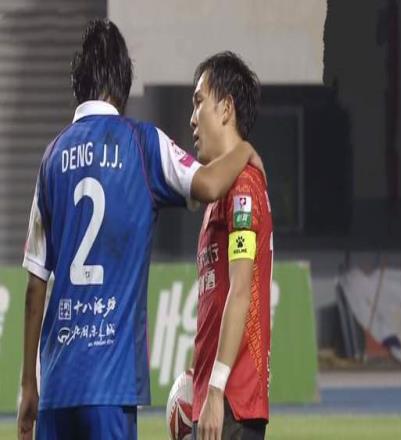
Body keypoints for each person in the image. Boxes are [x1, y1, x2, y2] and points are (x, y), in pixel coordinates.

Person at [17, 20, 264, 440]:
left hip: (56, 385)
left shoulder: (52, 158)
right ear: (123, 82)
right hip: (111, 384)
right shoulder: (143, 143)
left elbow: (34, 288)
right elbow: (208, 184)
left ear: (78, 82)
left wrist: (28, 386)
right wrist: (244, 149)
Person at [190, 52, 273, 440]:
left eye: (198, 102)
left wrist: (216, 389)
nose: (192, 119)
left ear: (225, 109)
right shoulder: (220, 190)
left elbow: (241, 290)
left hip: (232, 407)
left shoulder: (243, 188)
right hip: (218, 401)